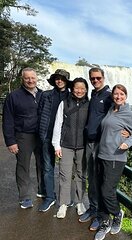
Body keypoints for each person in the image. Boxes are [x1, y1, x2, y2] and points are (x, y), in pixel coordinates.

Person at [80, 67, 129, 231]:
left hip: (101, 145)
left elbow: (123, 113)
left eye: (98, 78)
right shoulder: (93, 95)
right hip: (89, 142)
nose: (95, 81)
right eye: (92, 79)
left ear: (103, 77)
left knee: (97, 181)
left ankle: (101, 215)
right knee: (91, 179)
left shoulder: (109, 96)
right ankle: (94, 209)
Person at [94, 84, 132, 240]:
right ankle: (105, 222)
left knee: (107, 191)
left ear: (126, 96)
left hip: (116, 157)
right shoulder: (111, 109)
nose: (118, 97)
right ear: (112, 96)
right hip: (102, 155)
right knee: (101, 190)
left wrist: (127, 142)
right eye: (116, 94)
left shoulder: (129, 114)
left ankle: (117, 213)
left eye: (121, 94)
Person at [2, 67, 44, 209]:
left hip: (41, 136)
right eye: (27, 78)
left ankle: (42, 190)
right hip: (23, 136)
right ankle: (25, 197)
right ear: (22, 79)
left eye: (33, 77)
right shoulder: (14, 96)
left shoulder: (42, 95)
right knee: (23, 166)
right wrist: (10, 141)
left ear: (36, 78)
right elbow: (7, 120)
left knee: (42, 164)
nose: (30, 80)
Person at [52, 77, 89, 218]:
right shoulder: (64, 103)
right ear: (72, 89)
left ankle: (79, 202)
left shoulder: (89, 105)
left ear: (86, 90)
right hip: (66, 145)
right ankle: (63, 204)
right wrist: (56, 145)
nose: (79, 91)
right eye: (76, 88)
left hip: (83, 146)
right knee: (64, 175)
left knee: (81, 175)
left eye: (82, 88)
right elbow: (58, 124)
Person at [37, 69, 71, 212]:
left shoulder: (72, 96)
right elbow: (39, 113)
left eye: (62, 78)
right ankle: (50, 197)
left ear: (66, 81)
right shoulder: (46, 95)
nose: (59, 80)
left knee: (66, 170)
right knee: (47, 167)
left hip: (65, 139)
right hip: (47, 136)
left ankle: (65, 198)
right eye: (57, 78)